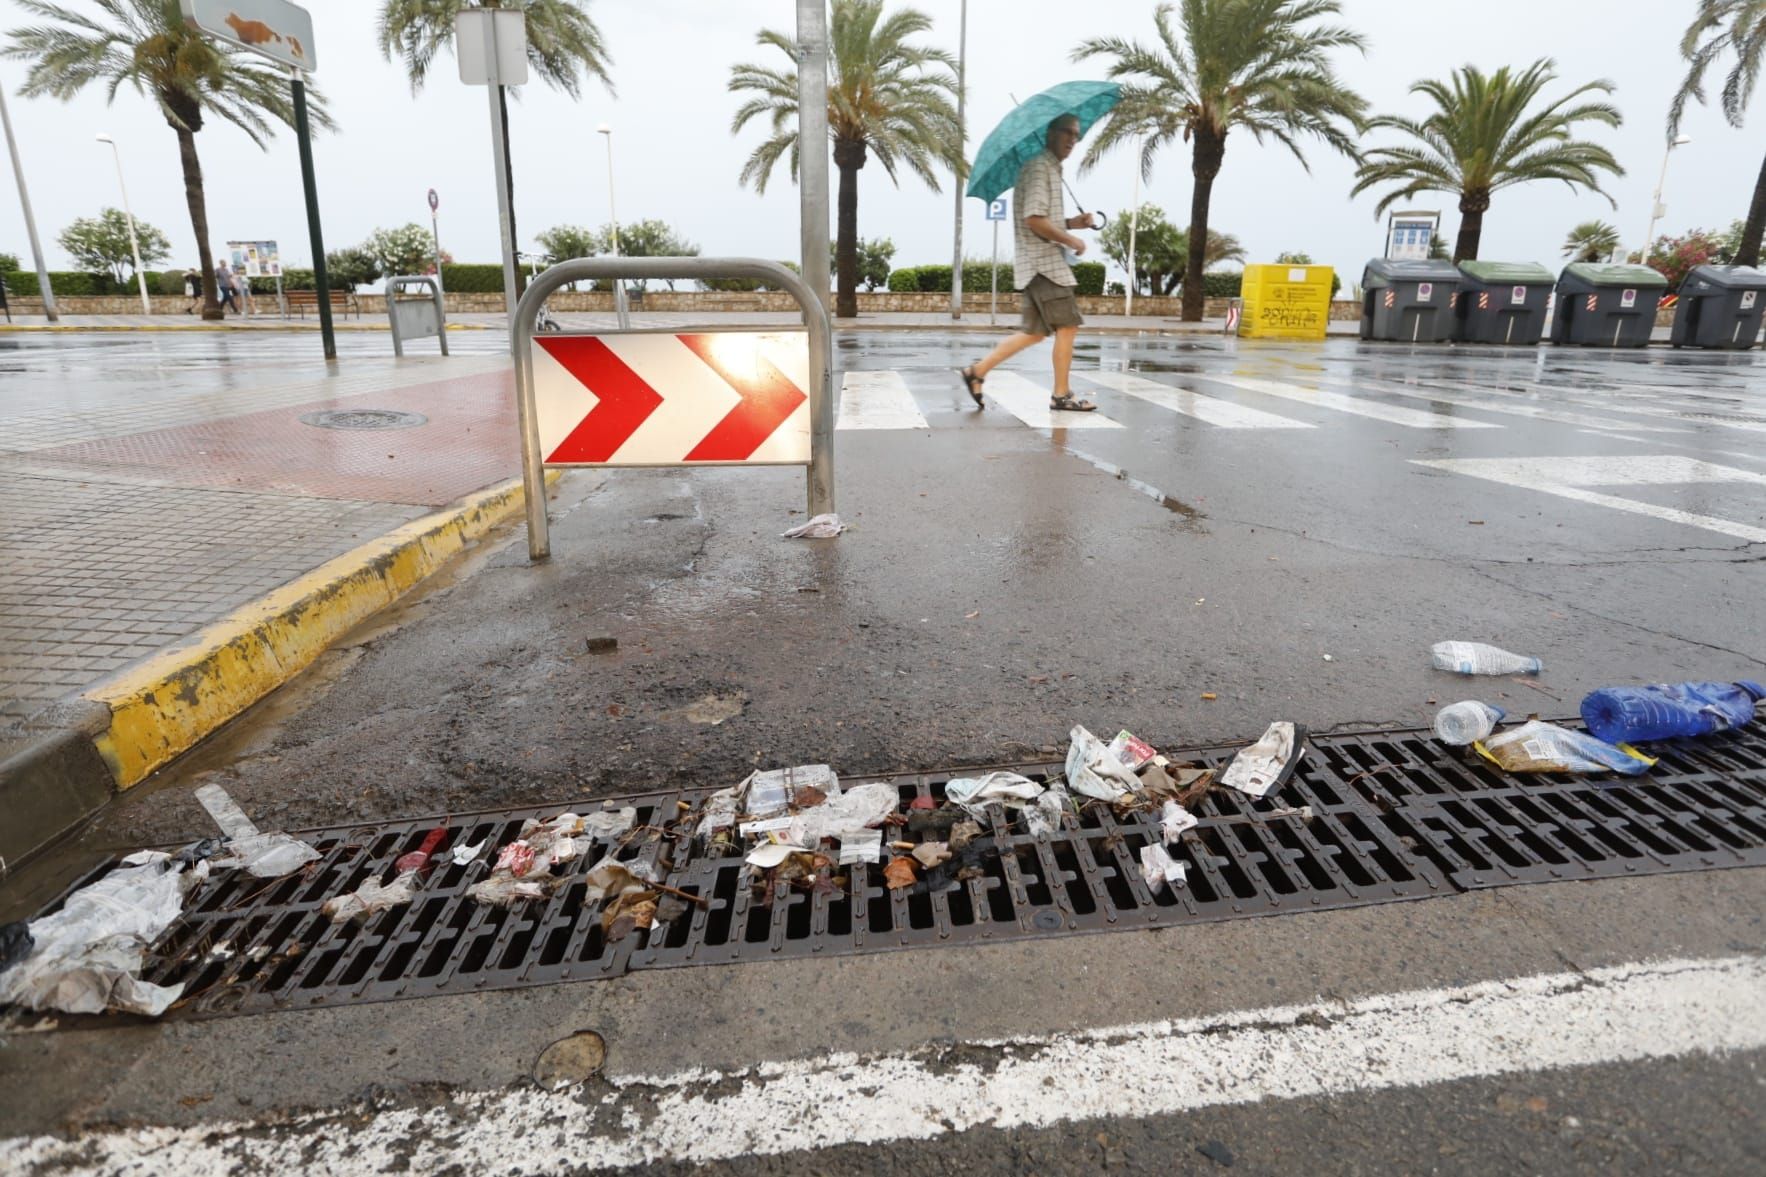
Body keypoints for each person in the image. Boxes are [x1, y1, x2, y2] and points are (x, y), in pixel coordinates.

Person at [959, 113, 1101, 412]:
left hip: (1034, 264)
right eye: (1067, 133)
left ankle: (977, 372)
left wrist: (1074, 224)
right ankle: (1061, 395)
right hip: (1044, 264)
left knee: (1034, 332)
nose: (1072, 140)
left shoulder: (1045, 168)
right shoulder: (1040, 168)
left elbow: (1043, 218)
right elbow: (1034, 220)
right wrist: (1070, 240)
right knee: (1068, 326)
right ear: (1050, 132)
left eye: (1076, 135)